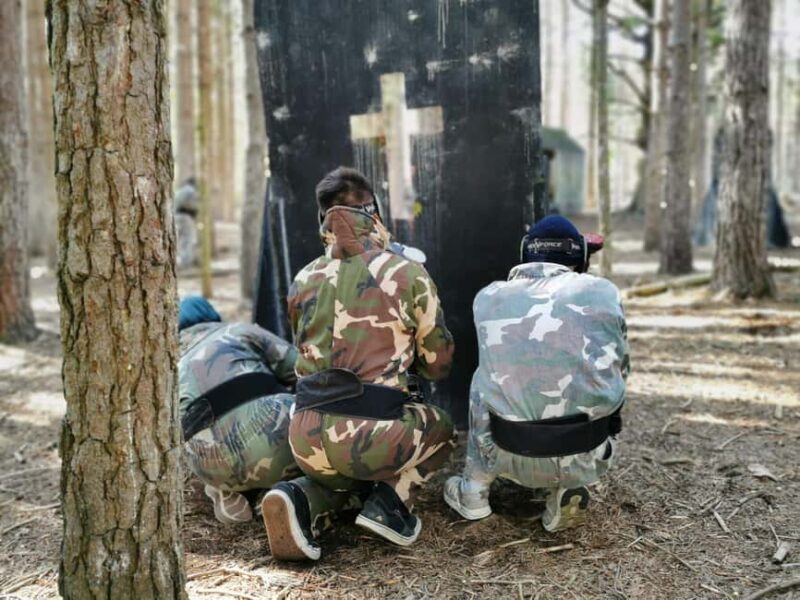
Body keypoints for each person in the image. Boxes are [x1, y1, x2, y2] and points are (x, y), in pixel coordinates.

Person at [261, 167, 456, 561]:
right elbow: (438, 365)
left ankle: (299, 496)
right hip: (371, 437)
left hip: (304, 438)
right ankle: (391, 503)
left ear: (324, 220)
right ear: (375, 214)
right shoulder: (406, 273)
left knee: (344, 473)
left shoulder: (303, 278)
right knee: (443, 429)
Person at [444, 215, 630, 532]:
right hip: (587, 452)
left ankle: (473, 491)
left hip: (508, 450)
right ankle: (569, 484)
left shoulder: (488, 297)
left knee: (483, 377)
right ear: (580, 258)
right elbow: (621, 370)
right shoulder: (604, 293)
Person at [178, 296, 301, 524]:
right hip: (272, 440)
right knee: (308, 414)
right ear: (212, 316)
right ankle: (287, 490)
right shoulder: (238, 331)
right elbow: (300, 367)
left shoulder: (167, 365)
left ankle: (225, 490)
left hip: (207, 466)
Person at [174, 177, 199, 269]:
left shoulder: (180, 191)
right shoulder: (191, 191)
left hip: (176, 216)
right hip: (186, 216)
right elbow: (192, 205)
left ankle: (180, 260)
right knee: (187, 240)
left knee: (180, 239)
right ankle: (186, 263)